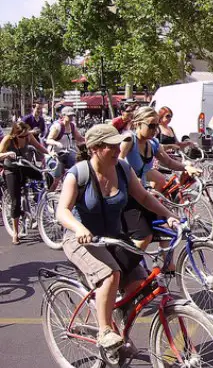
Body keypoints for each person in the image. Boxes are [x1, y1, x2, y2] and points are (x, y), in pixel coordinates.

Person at [56, 124, 180, 350]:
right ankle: (104, 331)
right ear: (95, 148)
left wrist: (169, 214)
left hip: (114, 237)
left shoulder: (123, 169)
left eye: (117, 145)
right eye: (110, 146)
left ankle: (118, 319)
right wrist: (78, 228)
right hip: (82, 240)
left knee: (139, 284)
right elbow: (62, 211)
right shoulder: (79, 174)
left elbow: (143, 196)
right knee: (111, 275)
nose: (117, 149)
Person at [119, 107, 200, 249]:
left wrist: (186, 167)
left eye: (156, 125)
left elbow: (168, 162)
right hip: (127, 195)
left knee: (168, 230)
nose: (154, 129)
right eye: (151, 125)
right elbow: (117, 162)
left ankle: (168, 269)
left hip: (143, 193)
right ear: (138, 123)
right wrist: (131, 176)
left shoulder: (153, 143)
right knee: (144, 237)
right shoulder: (128, 139)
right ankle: (129, 268)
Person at [0, 122, 49, 244]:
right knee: (15, 200)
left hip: (25, 165)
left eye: (26, 134)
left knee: (46, 177)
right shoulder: (8, 140)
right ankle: (16, 232)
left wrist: (50, 153)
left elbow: (39, 147)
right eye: (21, 136)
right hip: (11, 169)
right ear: (15, 135)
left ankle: (42, 202)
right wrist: (6, 154)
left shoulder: (28, 136)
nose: (25, 138)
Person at [45, 106, 85, 180]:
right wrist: (57, 143)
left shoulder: (72, 126)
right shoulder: (57, 126)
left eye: (72, 116)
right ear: (63, 116)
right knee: (56, 177)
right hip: (55, 153)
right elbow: (48, 140)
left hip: (67, 152)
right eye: (69, 116)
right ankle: (50, 189)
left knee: (77, 165)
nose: (71, 118)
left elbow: (79, 138)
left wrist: (88, 140)